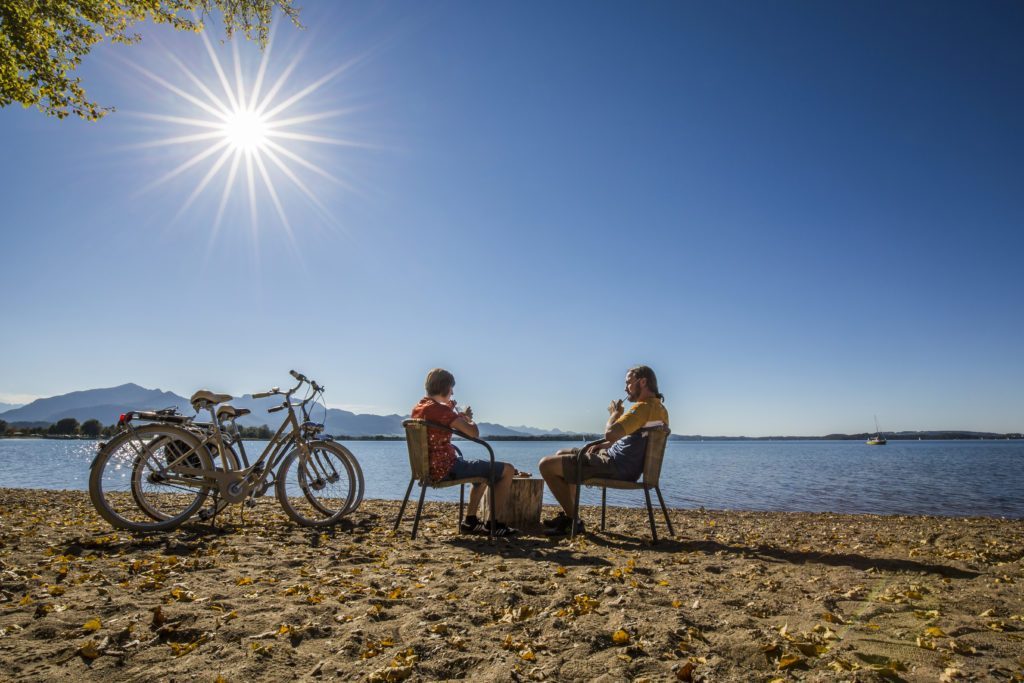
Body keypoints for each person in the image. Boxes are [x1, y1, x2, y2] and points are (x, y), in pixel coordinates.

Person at [538, 365, 669, 536]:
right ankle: (570, 517)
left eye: (628, 382)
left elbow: (609, 433)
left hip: (617, 467)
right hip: (622, 463)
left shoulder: (642, 408)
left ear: (642, 382)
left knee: (546, 465)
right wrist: (606, 446)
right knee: (561, 454)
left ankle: (574, 520)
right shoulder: (659, 409)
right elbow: (634, 440)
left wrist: (614, 414)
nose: (625, 388)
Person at [411, 368, 518, 537]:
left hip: (430, 468)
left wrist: (456, 412)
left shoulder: (420, 407)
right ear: (445, 387)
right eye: (451, 388)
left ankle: (471, 521)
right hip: (445, 468)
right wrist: (468, 419)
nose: (452, 392)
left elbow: (443, 414)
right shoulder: (440, 411)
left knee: (482, 470)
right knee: (508, 470)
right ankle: (494, 524)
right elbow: (473, 433)